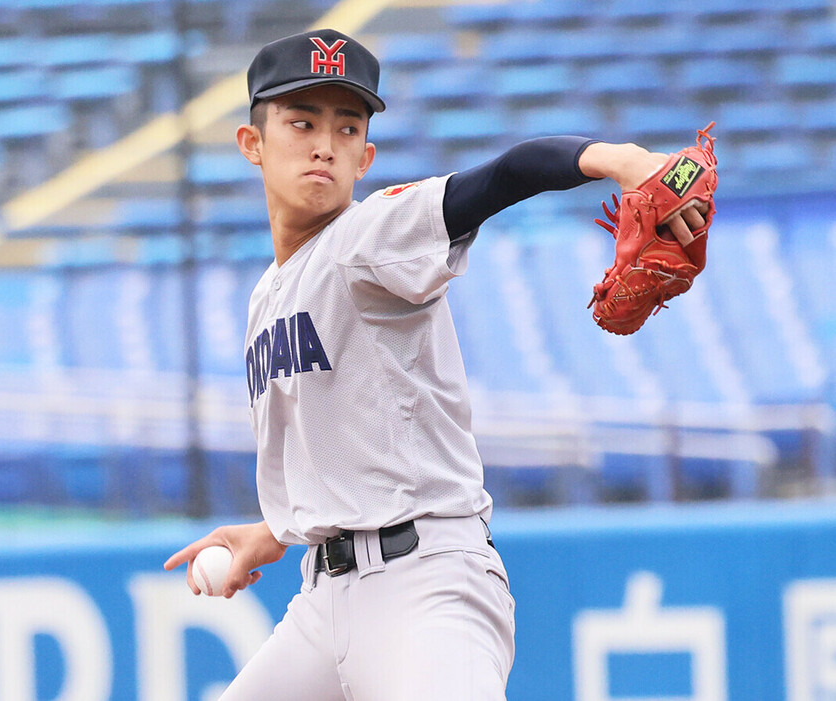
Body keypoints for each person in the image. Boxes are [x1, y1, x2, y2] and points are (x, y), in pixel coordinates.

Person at [165, 28, 709, 700]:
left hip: (423, 585)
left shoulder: (368, 235)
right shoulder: (267, 294)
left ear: (365, 156)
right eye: (301, 121)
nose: (322, 143)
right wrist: (273, 531)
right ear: (253, 144)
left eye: (345, 127)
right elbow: (339, 442)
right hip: (322, 598)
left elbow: (504, 175)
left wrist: (623, 160)